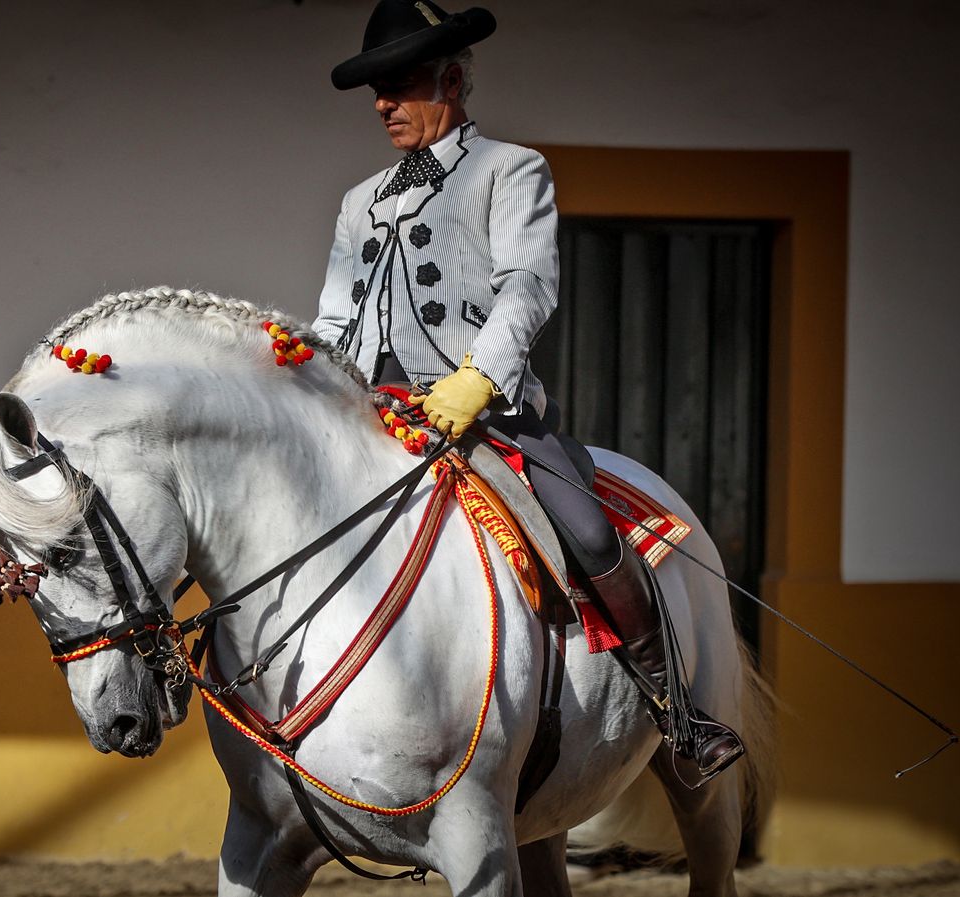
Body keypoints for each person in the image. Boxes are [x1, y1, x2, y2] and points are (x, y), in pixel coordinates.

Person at [312, 0, 742, 784]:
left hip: (488, 414)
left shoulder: (510, 169)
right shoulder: (359, 202)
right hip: (380, 419)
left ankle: (677, 712)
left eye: (399, 83)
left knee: (584, 524)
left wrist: (476, 378)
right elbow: (336, 319)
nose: (382, 103)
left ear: (450, 79)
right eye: (375, 89)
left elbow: (527, 285)